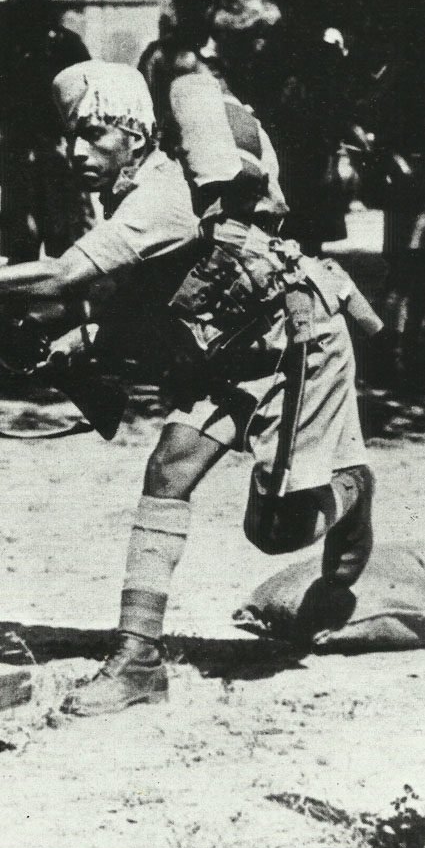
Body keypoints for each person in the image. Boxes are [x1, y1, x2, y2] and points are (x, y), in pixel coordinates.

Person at [0, 60, 378, 716]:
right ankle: (140, 657)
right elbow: (143, 294)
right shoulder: (125, 194)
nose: (78, 151)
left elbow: (64, 276)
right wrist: (78, 344)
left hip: (297, 344)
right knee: (167, 470)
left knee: (277, 530)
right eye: (73, 136)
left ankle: (351, 490)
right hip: (232, 356)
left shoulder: (162, 196)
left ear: (136, 134)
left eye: (95, 135)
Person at [0, 0, 91, 262]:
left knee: (61, 239)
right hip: (10, 149)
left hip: (52, 153)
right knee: (19, 240)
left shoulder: (64, 42)